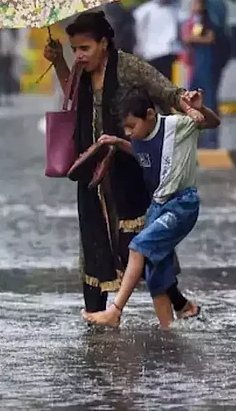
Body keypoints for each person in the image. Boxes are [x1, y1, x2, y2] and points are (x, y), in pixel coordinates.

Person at [43, 11, 204, 324]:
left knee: (140, 241)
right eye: (74, 49)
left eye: (85, 48)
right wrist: (59, 61)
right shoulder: (79, 70)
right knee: (93, 242)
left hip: (129, 167)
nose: (79, 55)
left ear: (104, 43)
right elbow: (73, 97)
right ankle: (96, 315)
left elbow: (164, 90)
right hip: (91, 169)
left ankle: (178, 303)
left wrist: (187, 103)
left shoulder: (129, 66)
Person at [81, 87, 220, 328]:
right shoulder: (138, 137)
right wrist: (117, 142)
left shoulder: (176, 126)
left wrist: (200, 109)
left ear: (150, 115)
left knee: (138, 247)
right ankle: (169, 328)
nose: (129, 133)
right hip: (158, 206)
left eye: (131, 126)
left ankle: (114, 311)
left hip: (181, 205)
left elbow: (212, 122)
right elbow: (138, 151)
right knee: (155, 271)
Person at [182, 0, 219, 148]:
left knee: (207, 90)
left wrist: (194, 39)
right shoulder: (192, 20)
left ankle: (208, 117)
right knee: (193, 88)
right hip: (195, 60)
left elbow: (209, 38)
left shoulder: (207, 21)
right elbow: (186, 38)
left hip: (205, 59)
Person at [133, 0, 180, 80]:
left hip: (168, 51)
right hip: (151, 52)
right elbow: (137, 28)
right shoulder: (146, 10)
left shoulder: (175, 9)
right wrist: (139, 48)